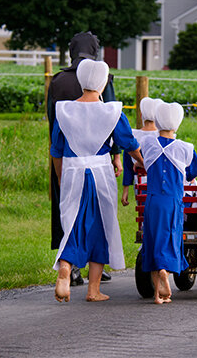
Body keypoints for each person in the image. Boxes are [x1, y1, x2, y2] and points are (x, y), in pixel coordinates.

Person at [51, 59, 143, 302]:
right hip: (100, 171)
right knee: (101, 225)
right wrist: (141, 162)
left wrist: (61, 178)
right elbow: (128, 143)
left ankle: (66, 266)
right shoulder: (111, 111)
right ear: (103, 83)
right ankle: (93, 289)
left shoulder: (64, 110)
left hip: (72, 170)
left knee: (72, 221)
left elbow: (56, 150)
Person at [47, 31, 119, 284]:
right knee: (97, 212)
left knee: (67, 209)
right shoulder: (103, 78)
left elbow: (51, 119)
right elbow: (110, 118)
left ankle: (69, 262)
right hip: (97, 159)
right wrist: (117, 155)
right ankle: (94, 265)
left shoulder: (57, 81)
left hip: (65, 156)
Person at [140, 102, 197, 304]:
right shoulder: (185, 148)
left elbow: (137, 163)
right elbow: (195, 171)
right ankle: (165, 271)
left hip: (152, 199)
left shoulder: (148, 144)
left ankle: (158, 293)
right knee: (170, 237)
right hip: (173, 201)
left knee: (152, 239)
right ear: (177, 123)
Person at [121, 97, 162, 207]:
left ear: (141, 115)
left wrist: (125, 190)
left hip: (140, 183)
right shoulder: (163, 137)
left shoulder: (133, 136)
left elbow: (127, 164)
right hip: (160, 182)